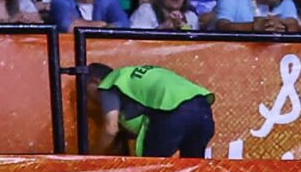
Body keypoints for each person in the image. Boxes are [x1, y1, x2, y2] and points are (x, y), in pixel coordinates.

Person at [84, 61, 215, 158]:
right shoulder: (131, 75)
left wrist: (91, 158)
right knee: (192, 168)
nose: (88, 99)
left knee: (151, 169)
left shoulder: (109, 84)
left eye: (85, 91)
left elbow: (110, 129)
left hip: (172, 110)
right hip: (203, 108)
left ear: (94, 82)